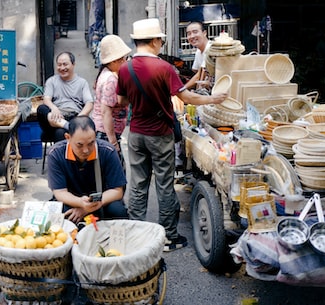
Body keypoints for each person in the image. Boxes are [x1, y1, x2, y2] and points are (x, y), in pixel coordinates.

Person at [117, 18, 227, 252]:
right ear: (156, 41)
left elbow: (120, 101)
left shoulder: (125, 69)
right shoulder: (165, 68)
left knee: (138, 185)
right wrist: (213, 99)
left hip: (135, 133)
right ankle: (168, 237)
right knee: (165, 185)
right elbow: (186, 97)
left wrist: (138, 99)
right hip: (160, 133)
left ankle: (136, 235)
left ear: (137, 41)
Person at [47, 115, 128, 224]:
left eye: (91, 143)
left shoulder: (107, 151)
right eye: (79, 145)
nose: (86, 150)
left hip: (101, 202)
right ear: (68, 138)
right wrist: (80, 203)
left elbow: (117, 191)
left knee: (118, 211)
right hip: (71, 200)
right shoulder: (56, 154)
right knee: (58, 216)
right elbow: (60, 192)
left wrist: (88, 208)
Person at [37, 51, 94, 142]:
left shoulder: (82, 82)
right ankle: (69, 126)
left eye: (65, 64)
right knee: (41, 108)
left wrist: (79, 119)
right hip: (55, 117)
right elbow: (46, 99)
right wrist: (54, 108)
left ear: (73, 64)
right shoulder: (51, 81)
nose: (62, 68)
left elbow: (89, 103)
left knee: (60, 133)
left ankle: (70, 125)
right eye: (59, 65)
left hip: (74, 116)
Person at [92, 34, 131, 160]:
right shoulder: (110, 80)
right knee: (116, 172)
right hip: (106, 134)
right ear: (113, 61)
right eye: (122, 59)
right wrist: (113, 142)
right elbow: (105, 112)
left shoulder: (107, 73)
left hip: (106, 132)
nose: (125, 62)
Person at [182, 21, 211, 91]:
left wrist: (181, 89)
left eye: (195, 32)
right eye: (189, 33)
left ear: (204, 33)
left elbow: (199, 74)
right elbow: (195, 71)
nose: (192, 36)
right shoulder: (198, 52)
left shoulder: (210, 49)